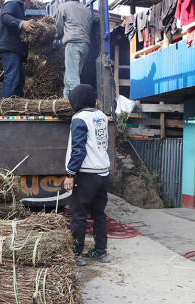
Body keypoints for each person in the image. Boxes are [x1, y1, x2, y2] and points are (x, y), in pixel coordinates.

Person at [63, 84, 110, 266]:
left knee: (79, 215)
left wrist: (70, 173)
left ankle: (76, 254)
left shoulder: (80, 118)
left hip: (86, 174)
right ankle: (100, 251)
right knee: (99, 214)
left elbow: (78, 149)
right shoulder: (101, 116)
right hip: (103, 173)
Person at [0, 0, 35, 98]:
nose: (28, 5)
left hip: (14, 49)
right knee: (12, 78)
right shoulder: (12, 4)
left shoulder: (19, 10)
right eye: (29, 3)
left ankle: (16, 106)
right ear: (27, 0)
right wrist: (21, 23)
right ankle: (4, 107)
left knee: (20, 80)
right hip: (8, 48)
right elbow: (4, 16)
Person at [55, 0, 92, 98]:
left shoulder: (64, 7)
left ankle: (76, 104)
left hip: (73, 44)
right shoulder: (87, 9)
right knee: (71, 75)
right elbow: (88, 27)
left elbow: (59, 26)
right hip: (85, 45)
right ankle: (66, 101)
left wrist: (58, 35)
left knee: (72, 78)